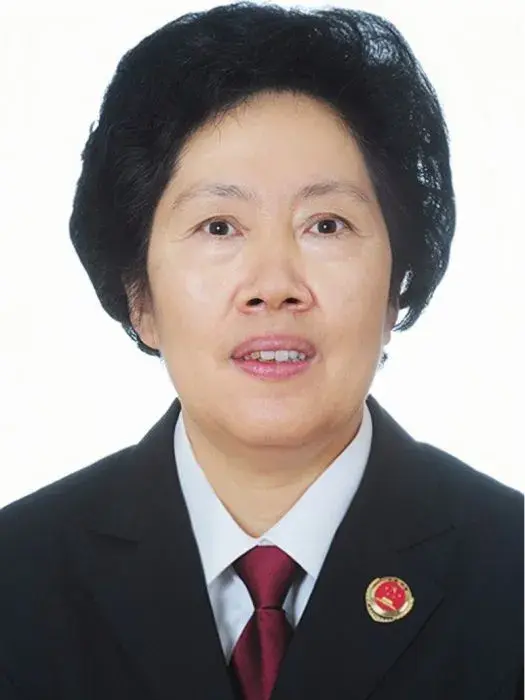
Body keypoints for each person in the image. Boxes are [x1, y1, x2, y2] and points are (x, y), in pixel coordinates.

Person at [0, 2, 522, 698]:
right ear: (139, 296)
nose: (274, 287)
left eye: (326, 224)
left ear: (395, 288)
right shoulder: (17, 579)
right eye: (219, 226)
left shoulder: (510, 571)